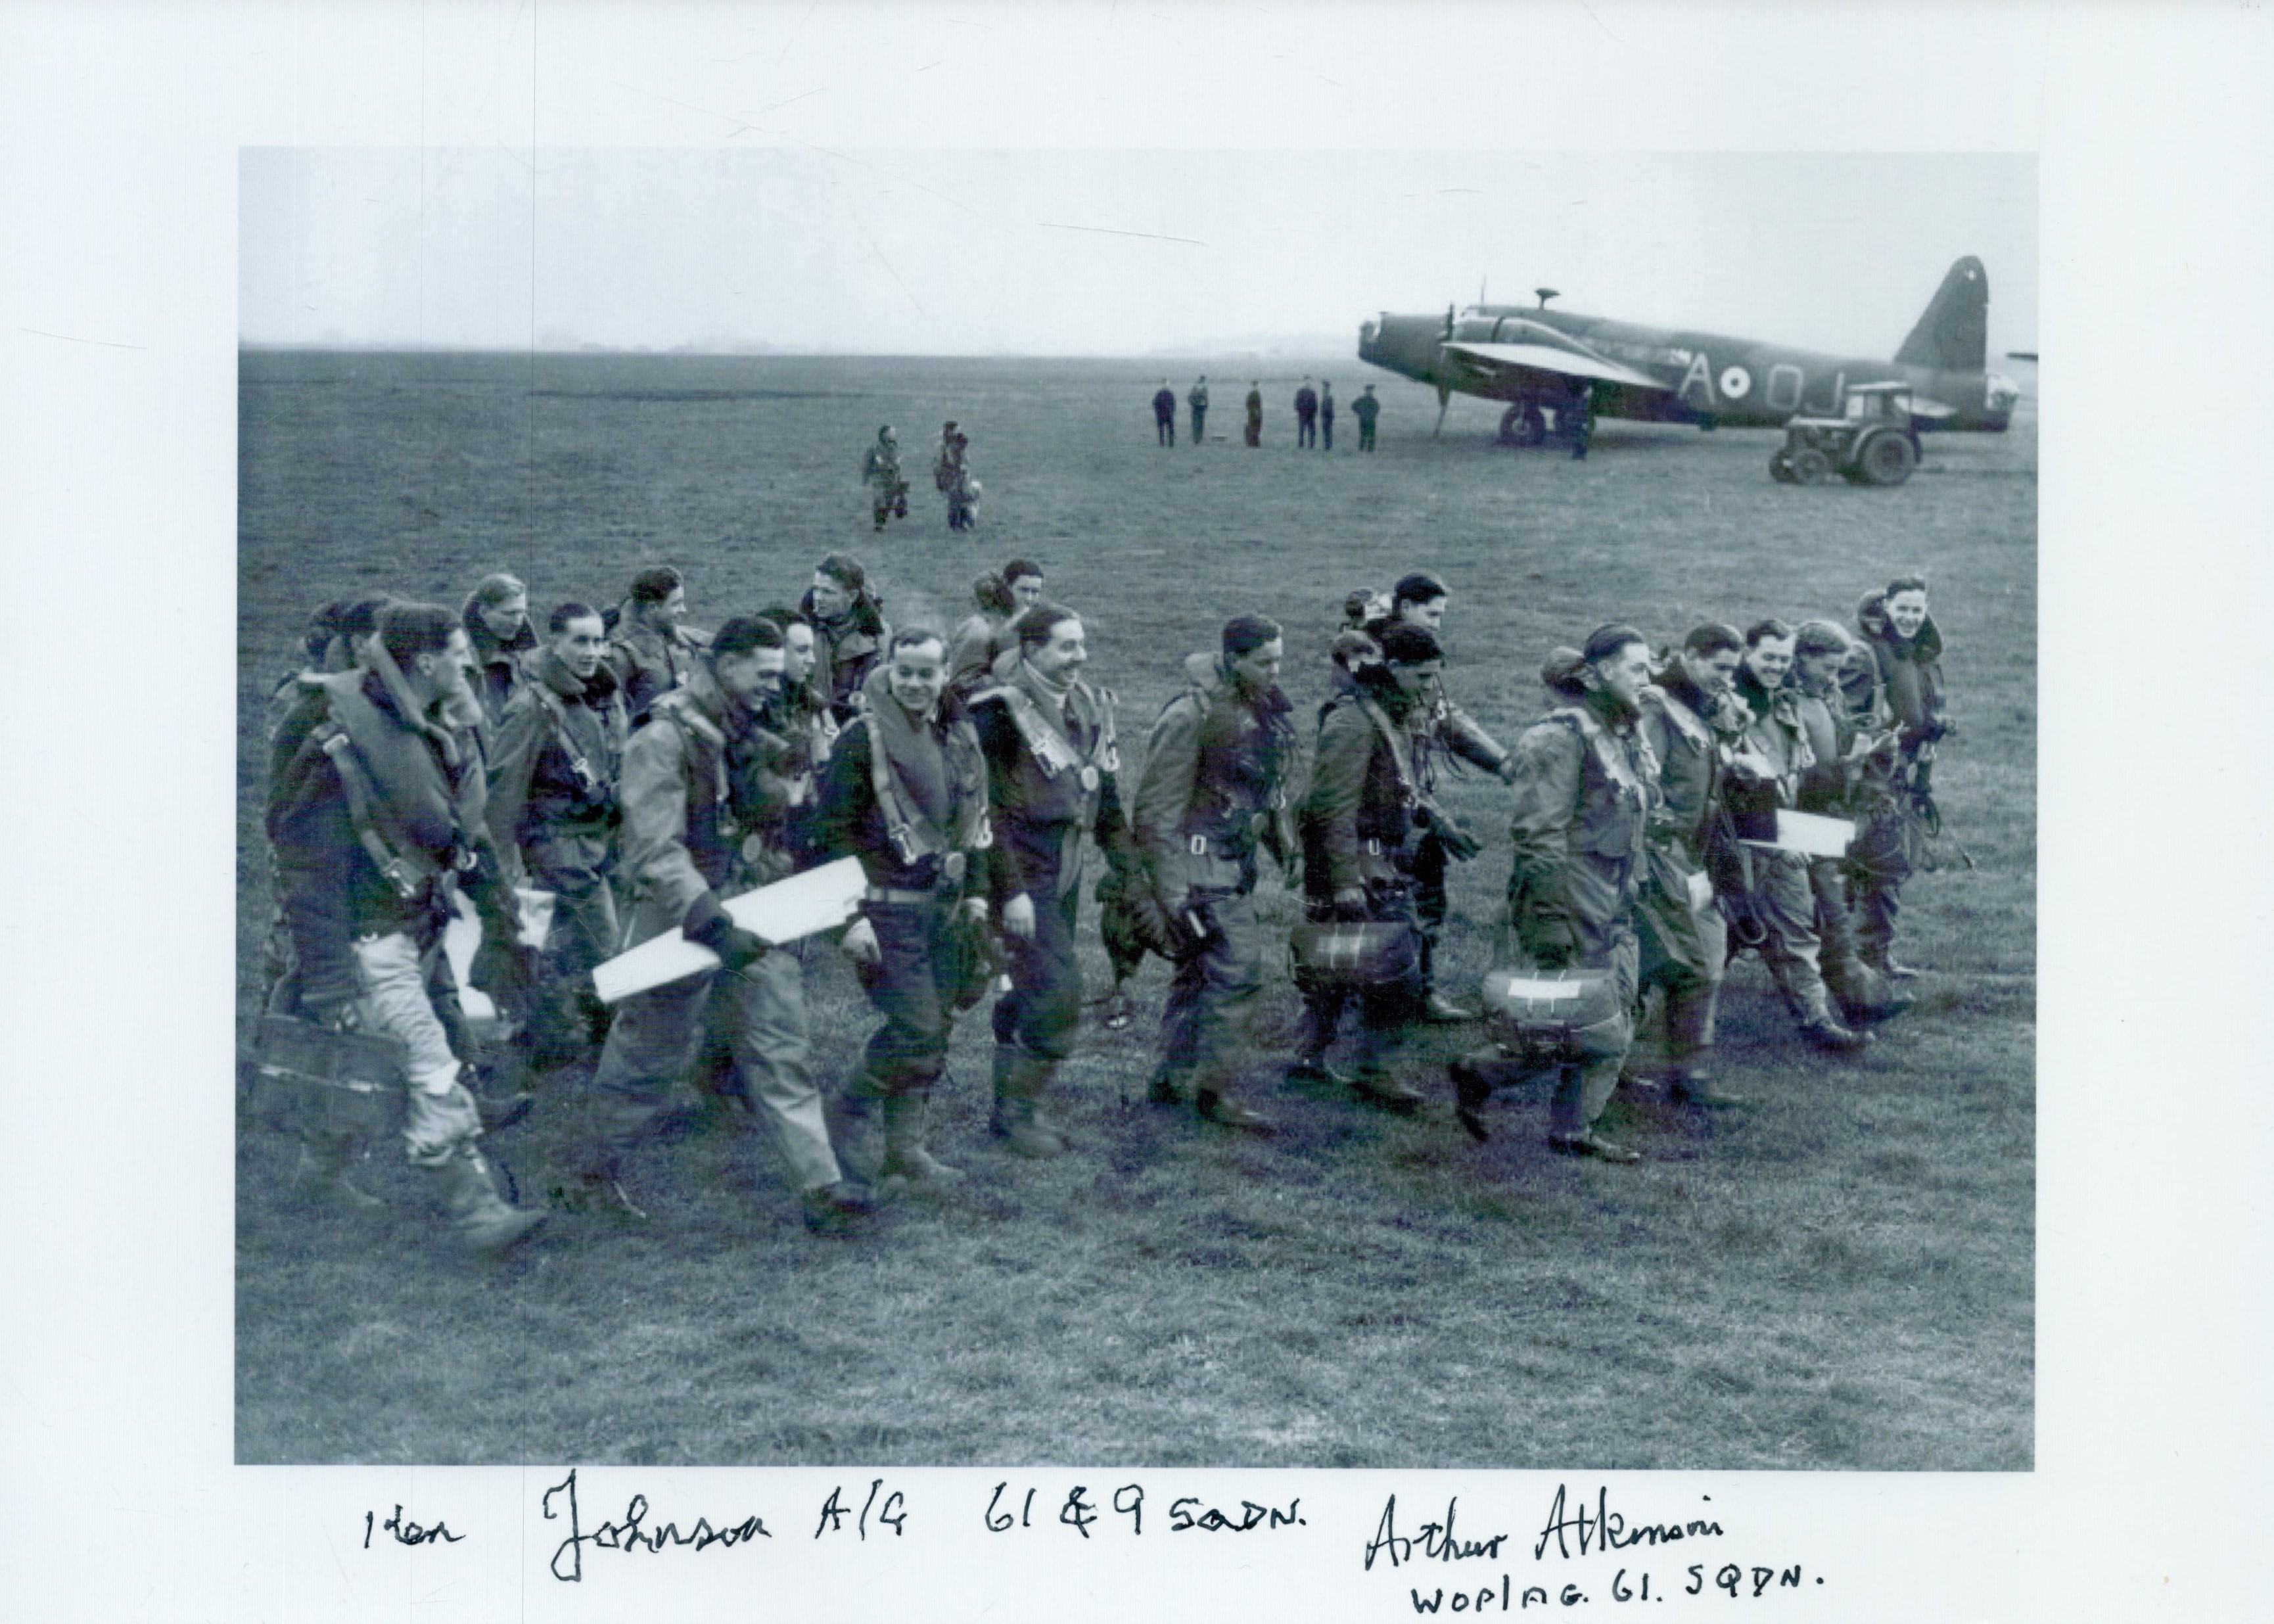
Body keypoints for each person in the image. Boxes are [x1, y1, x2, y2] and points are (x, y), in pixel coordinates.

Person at [553, 616, 883, 1234]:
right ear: (724, 664)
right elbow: (653, 848)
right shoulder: (665, 735)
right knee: (648, 1053)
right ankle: (588, 1175)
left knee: (781, 1045)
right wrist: (710, 918)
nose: (773, 684)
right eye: (762, 673)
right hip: (683, 917)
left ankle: (821, 1187)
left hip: (753, 909)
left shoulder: (749, 722)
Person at [266, 601, 547, 1249]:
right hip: (369, 939)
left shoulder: (425, 726)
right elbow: (309, 869)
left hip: (411, 924)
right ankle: (475, 1212)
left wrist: (497, 905)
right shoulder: (337, 741)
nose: (468, 662)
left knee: (366, 1063)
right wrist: (333, 984)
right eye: (457, 652)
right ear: (424, 662)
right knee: (427, 1062)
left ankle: (318, 1175)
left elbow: (457, 831)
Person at [1450, 626, 1661, 1163]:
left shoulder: (1619, 734)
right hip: (1569, 898)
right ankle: (1483, 1071)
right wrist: (1548, 919)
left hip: (1614, 897)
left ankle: (1573, 1128)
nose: (1648, 679)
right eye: (1637, 669)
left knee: (1618, 1013)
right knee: (1576, 1022)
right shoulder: (1557, 739)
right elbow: (1537, 834)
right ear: (1597, 674)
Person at [816, 624, 997, 1188]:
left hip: (941, 906)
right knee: (917, 1028)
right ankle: (840, 1114)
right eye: (906, 672)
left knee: (936, 1025)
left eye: (928, 673)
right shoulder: (861, 739)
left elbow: (976, 824)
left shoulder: (956, 735)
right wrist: (848, 918)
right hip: (885, 907)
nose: (916, 683)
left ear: (945, 675)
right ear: (890, 672)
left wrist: (976, 895)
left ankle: (906, 1151)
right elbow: (828, 836)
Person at [969, 603, 1140, 1155]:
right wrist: (1012, 889)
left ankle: (1009, 1107)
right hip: (1017, 868)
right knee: (1060, 991)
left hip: (1062, 868)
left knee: (1026, 986)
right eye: (1066, 646)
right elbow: (984, 811)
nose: (1079, 657)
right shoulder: (996, 714)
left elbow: (1102, 789)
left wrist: (1130, 869)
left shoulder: (1086, 702)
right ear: (1031, 650)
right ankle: (1018, 1112)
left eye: (1081, 644)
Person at [1131, 615, 1301, 1131]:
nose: (1274, 671)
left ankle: (1171, 1077)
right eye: (1263, 661)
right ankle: (1213, 1091)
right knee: (1237, 973)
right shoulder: (1191, 716)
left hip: (1229, 862)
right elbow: (1155, 813)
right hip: (1200, 871)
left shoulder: (1253, 710)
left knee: (1198, 977)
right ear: (1232, 658)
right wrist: (1172, 892)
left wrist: (1282, 846)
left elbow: (1262, 788)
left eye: (1278, 659)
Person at [1288, 623, 1439, 1109]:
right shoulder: (1354, 721)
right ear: (1392, 669)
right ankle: (1377, 1068)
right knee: (1395, 968)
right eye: (1422, 676)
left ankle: (1308, 1056)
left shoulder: (1384, 712)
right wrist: (1346, 882)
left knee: (1339, 959)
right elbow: (1331, 808)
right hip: (1358, 862)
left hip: (1375, 856)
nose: (1429, 687)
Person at [1367, 571, 1516, 1023]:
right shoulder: (1379, 662)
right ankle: (1372, 1003)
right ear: (1406, 606)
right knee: (1390, 907)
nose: (1438, 624)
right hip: (1388, 808)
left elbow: (1446, 716)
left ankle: (1421, 992)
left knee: (1428, 897)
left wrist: (1500, 761)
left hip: (1417, 806)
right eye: (1432, 614)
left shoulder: (1416, 661)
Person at [485, 601, 630, 1064]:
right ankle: (610, 1043)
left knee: (548, 944)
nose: (592, 651)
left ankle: (542, 1034)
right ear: (555, 643)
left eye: (597, 640)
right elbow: (504, 790)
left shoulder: (604, 693)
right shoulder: (531, 708)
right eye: (579, 641)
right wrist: (503, 863)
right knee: (603, 944)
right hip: (557, 846)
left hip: (597, 841)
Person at [1729, 620, 1870, 1054]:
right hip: (1732, 837)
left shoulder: (1786, 703)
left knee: (1792, 930)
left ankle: (1818, 1020)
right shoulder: (1728, 706)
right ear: (1747, 652)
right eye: (1768, 657)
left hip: (1776, 836)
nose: (1776, 666)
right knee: (1710, 945)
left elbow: (1798, 770)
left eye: (1783, 659)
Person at [1633, 623, 1753, 1105]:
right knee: (1678, 960)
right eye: (1718, 667)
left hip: (1693, 854)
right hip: (1661, 855)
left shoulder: (1703, 704)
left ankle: (1683, 1071)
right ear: (1689, 656)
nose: (1726, 678)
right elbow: (1642, 780)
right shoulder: (1657, 705)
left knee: (1686, 960)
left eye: (1732, 670)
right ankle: (1682, 1072)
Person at [1792, 619, 1911, 1027]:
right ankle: (1855, 1000)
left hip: (1823, 817)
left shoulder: (1826, 694)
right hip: (1796, 819)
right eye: (1827, 668)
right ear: (1802, 658)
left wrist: (1873, 744)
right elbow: (1799, 772)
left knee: (1824, 912)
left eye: (1838, 670)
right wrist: (1851, 763)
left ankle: (1855, 999)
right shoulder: (1788, 702)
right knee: (1824, 911)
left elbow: (1838, 742)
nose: (1834, 677)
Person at [1838, 576, 1947, 979]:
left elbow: (1921, 706)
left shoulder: (1922, 654)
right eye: (1902, 608)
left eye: (1917, 610)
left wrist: (1936, 723)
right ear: (1886, 607)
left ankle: (1873, 956)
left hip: (1910, 774)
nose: (1909, 617)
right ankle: (1848, 960)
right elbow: (1847, 720)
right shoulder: (1865, 654)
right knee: (1870, 864)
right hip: (1872, 777)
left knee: (1891, 864)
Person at [608, 565, 708, 727]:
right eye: (676, 604)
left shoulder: (673, 636)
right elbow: (613, 717)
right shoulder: (620, 654)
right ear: (653, 608)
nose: (683, 610)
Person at [800, 552, 889, 724]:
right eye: (816, 589)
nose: (818, 598)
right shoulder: (802, 631)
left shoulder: (879, 637)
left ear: (852, 596)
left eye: (828, 592)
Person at [948, 559, 1045, 697]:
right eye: (1023, 590)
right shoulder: (979, 629)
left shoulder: (1036, 625)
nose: (1029, 598)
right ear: (1007, 587)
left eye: (1035, 592)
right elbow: (962, 684)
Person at [461, 572, 536, 737]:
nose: (518, 621)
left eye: (522, 612)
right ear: (484, 612)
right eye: (509, 614)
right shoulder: (463, 662)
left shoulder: (534, 659)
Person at [862, 425, 910, 533]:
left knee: (889, 502)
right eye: (890, 433)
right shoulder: (874, 448)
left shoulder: (895, 448)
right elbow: (866, 464)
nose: (893, 435)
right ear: (884, 434)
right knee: (880, 500)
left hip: (892, 479)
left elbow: (898, 464)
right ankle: (878, 524)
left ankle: (885, 518)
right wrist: (865, 478)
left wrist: (899, 477)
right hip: (878, 479)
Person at [1353, 384, 1381, 452]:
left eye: (1371, 391)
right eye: (1368, 391)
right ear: (1366, 391)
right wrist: (1360, 413)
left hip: (1371, 421)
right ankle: (1362, 449)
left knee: (1371, 435)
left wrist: (1373, 415)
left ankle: (1370, 449)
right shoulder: (1361, 400)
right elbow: (1353, 406)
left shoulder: (1374, 401)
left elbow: (1377, 409)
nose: (1370, 392)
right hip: (1363, 420)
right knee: (1363, 435)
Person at [1294, 377, 1320, 448]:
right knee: (1301, 430)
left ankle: (1311, 445)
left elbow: (1315, 404)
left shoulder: (1313, 393)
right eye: (1306, 382)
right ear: (1304, 382)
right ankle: (1301, 444)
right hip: (1302, 414)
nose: (1307, 383)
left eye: (1309, 382)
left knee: (1312, 431)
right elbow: (1297, 404)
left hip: (1311, 415)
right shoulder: (1300, 392)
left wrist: (1314, 412)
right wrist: (1301, 410)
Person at [1152, 381, 1177, 447]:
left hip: (1161, 415)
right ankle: (1171, 443)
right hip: (1169, 414)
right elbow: (1174, 405)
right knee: (1170, 429)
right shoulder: (1171, 394)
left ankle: (1162, 443)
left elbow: (1155, 404)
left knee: (1161, 429)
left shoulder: (1159, 394)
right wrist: (1172, 412)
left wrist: (1157, 413)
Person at [1188, 375, 1209, 443]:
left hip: (1195, 406)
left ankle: (1195, 436)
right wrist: (1206, 405)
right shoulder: (1204, 387)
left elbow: (1190, 397)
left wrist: (1192, 403)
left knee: (1195, 422)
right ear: (1204, 380)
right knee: (1201, 422)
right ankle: (1200, 436)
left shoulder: (1195, 387)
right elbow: (1206, 398)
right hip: (1201, 406)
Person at [1243, 382, 1263, 448]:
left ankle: (1253, 442)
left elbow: (1248, 405)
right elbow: (1256, 405)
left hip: (1252, 414)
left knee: (1253, 427)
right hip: (1255, 414)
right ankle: (1254, 442)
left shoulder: (1251, 395)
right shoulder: (1256, 394)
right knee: (1255, 428)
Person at [1320, 380, 1336, 452]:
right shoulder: (1325, 397)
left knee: (1328, 432)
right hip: (1325, 417)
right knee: (1326, 432)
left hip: (1327, 417)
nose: (1324, 390)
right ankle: (1327, 446)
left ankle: (1328, 446)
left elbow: (1328, 409)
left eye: (1325, 388)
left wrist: (1326, 417)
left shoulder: (1329, 398)